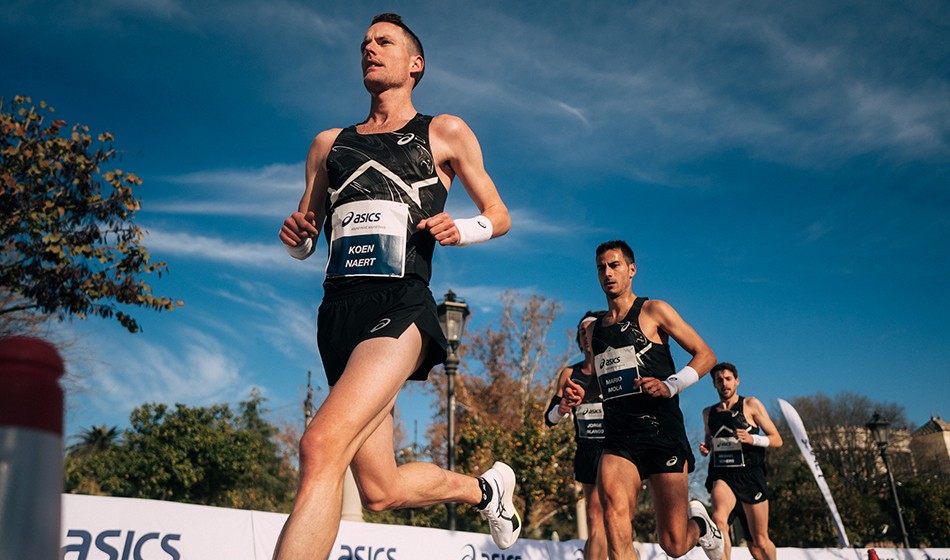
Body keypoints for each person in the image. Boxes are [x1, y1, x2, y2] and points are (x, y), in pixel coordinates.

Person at [274, 13, 518, 560]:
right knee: (380, 490)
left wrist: (464, 228)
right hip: (337, 313)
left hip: (401, 305)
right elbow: (306, 236)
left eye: (384, 42)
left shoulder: (444, 131)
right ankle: (486, 491)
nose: (370, 48)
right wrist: (296, 240)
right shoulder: (328, 144)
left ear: (415, 64)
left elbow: (499, 214)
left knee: (320, 446)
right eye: (364, 43)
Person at [565, 240, 724, 560]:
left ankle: (702, 527)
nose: (608, 273)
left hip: (661, 432)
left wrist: (670, 385)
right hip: (619, 437)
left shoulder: (654, 310)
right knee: (613, 521)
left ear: (631, 269)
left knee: (674, 544)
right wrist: (584, 393)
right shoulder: (595, 330)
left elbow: (706, 355)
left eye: (614, 265)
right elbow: (600, 381)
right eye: (601, 268)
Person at [699, 362, 782, 560]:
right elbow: (710, 439)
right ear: (714, 384)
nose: (724, 384)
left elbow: (777, 439)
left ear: (737, 381)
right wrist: (706, 448)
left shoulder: (751, 404)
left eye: (728, 379)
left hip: (750, 475)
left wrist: (753, 439)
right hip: (723, 473)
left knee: (759, 543)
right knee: (719, 520)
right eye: (719, 380)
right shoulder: (708, 413)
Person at [544, 311, 607, 560]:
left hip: (614, 448)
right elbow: (549, 420)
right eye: (582, 332)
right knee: (594, 516)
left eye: (591, 331)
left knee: (611, 514)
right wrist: (561, 409)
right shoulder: (570, 374)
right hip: (587, 451)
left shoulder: (613, 368)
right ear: (579, 340)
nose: (587, 336)